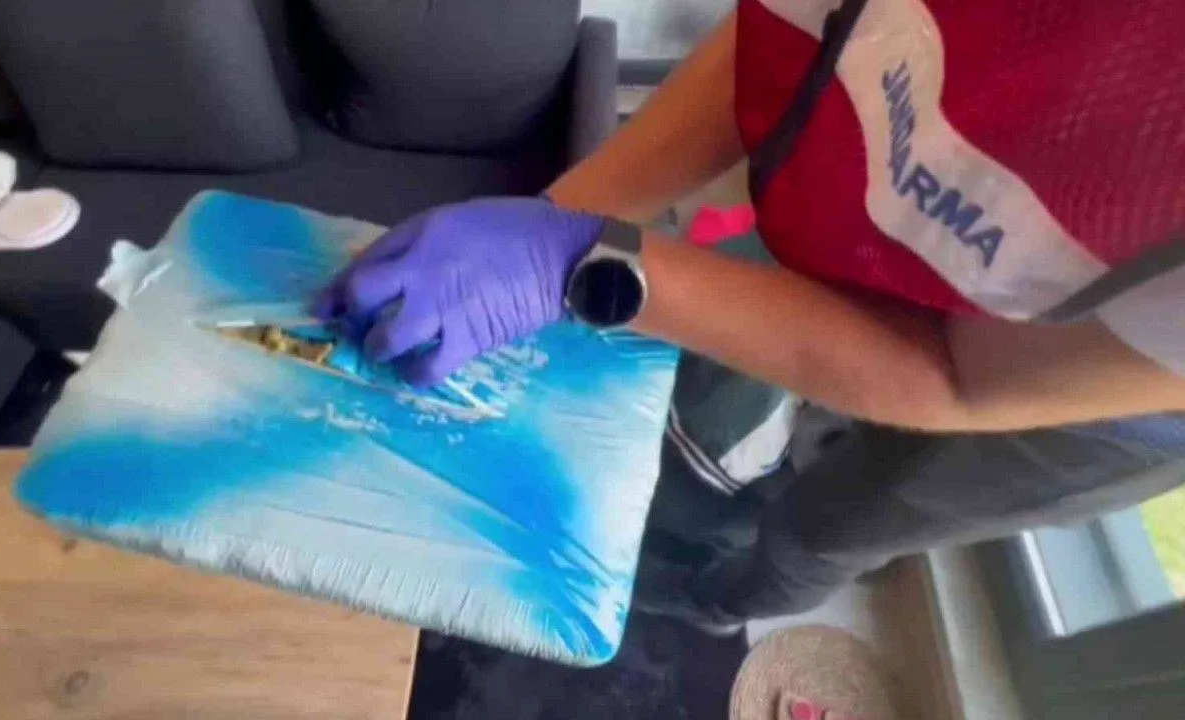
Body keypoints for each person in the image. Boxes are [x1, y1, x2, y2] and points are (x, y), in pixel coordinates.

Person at [319, 0, 1185, 633]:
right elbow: (791, 38)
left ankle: (718, 604)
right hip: (918, 233)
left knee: (833, 524)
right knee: (732, 391)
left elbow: (954, 375)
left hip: (1088, 389)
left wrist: (581, 264)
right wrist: (559, 223)